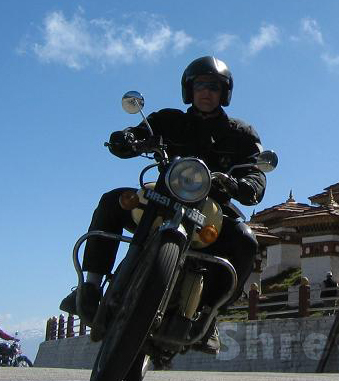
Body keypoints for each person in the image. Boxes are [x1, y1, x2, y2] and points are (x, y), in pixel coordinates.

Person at [60, 56, 266, 354]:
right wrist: (128, 138)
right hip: (163, 195)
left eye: (214, 86)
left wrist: (248, 185)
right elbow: (141, 133)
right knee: (113, 200)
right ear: (189, 90)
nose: (206, 92)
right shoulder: (169, 120)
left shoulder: (241, 134)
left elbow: (254, 169)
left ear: (225, 92)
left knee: (246, 241)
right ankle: (89, 286)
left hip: (214, 208)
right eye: (200, 85)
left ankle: (209, 316)